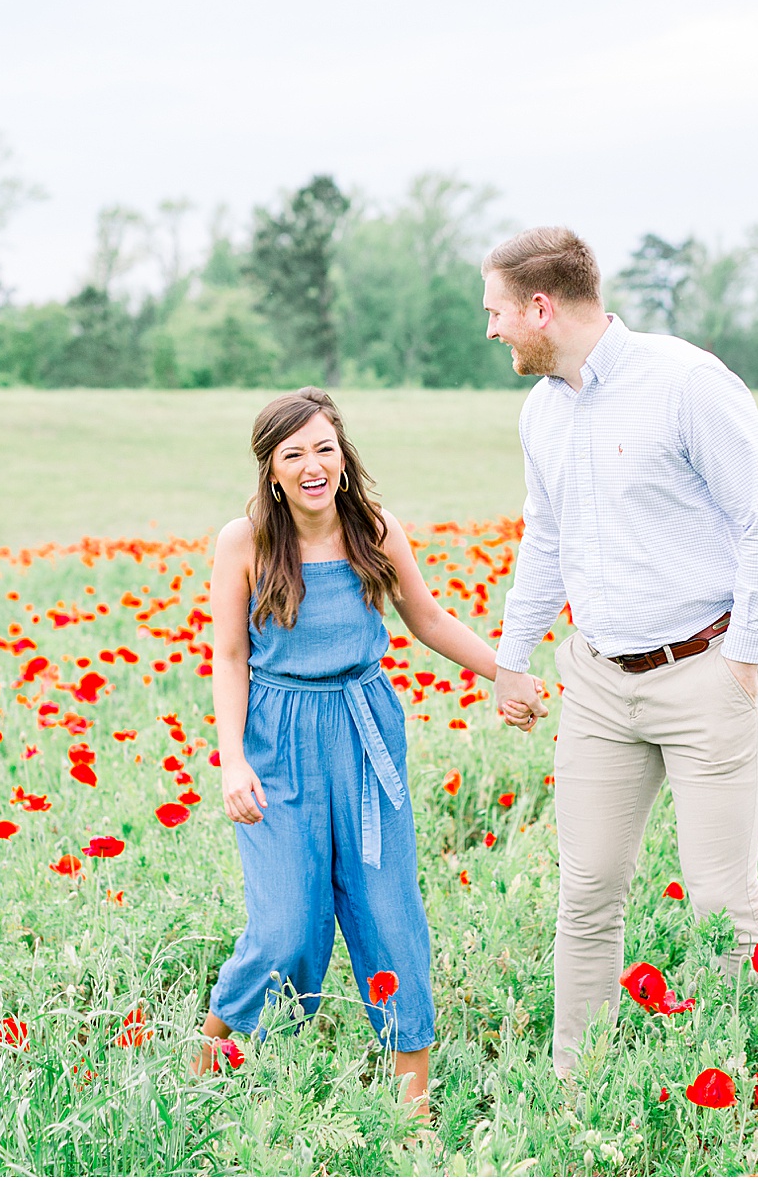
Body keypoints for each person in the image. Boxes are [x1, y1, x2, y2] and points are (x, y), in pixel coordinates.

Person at [480, 226, 758, 1080]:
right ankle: (575, 1082)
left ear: (540, 306)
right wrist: (514, 655)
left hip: (704, 672)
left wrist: (745, 657)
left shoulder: (684, 383)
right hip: (596, 679)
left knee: (720, 899)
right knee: (586, 893)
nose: (493, 330)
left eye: (499, 311)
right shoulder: (541, 409)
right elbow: (543, 539)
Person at [196, 387, 548, 1116]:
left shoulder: (375, 530)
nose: (311, 464)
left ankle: (412, 1107)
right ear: (272, 471)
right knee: (286, 925)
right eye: (293, 453)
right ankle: (210, 1056)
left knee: (388, 912)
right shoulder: (246, 541)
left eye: (323, 447)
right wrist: (232, 758)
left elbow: (427, 617)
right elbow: (229, 655)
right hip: (279, 740)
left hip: (363, 734)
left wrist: (504, 671)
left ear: (343, 457)